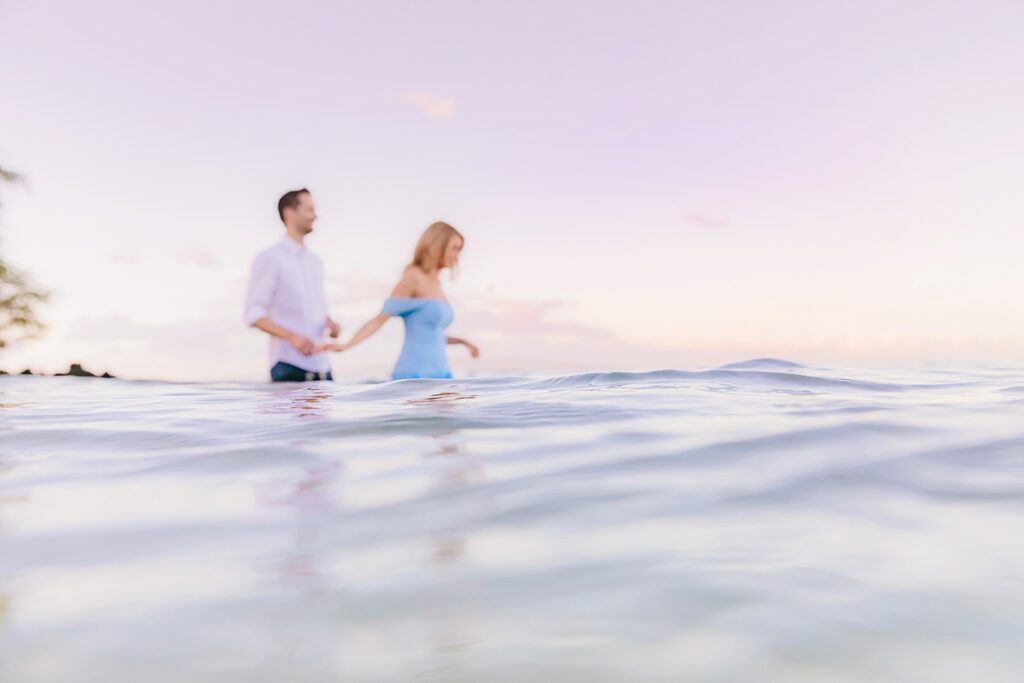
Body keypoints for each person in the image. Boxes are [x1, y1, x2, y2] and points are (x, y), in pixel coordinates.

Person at [318, 221, 479, 379]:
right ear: (438, 245)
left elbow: (431, 335)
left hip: (442, 374)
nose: (457, 255)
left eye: (459, 250)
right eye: (454, 248)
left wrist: (463, 342)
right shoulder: (414, 277)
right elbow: (379, 319)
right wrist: (347, 345)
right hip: (414, 374)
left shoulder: (437, 283)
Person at [244, 189, 341, 382]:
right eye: (309, 210)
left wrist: (330, 324)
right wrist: (291, 337)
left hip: (324, 369)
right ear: (289, 213)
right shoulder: (270, 259)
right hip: (289, 367)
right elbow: (253, 313)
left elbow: (313, 309)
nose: (315, 215)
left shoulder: (316, 262)